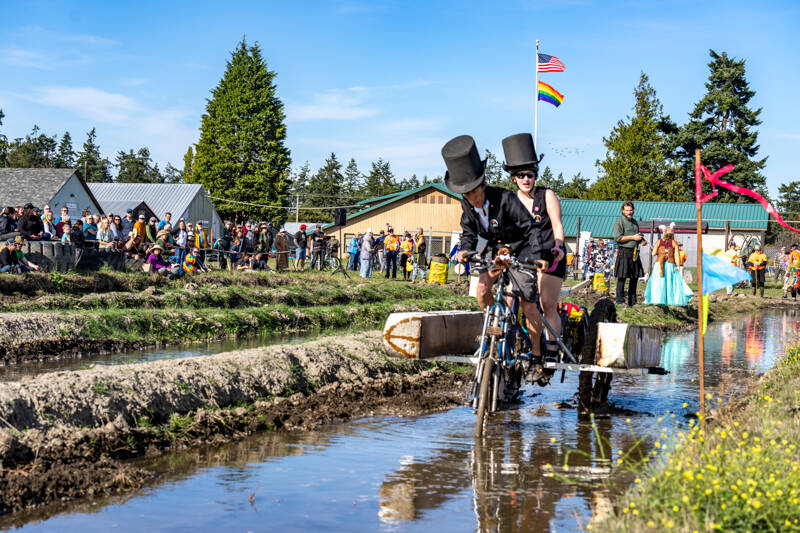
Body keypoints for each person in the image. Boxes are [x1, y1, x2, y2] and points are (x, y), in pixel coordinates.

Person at [444, 134, 547, 382]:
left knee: (528, 304)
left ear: (483, 184)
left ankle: (536, 355)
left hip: (520, 250)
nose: (472, 197)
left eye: (475, 191)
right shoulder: (467, 206)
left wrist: (537, 256)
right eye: (466, 194)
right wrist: (464, 251)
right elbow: (468, 233)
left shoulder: (505, 199)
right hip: (496, 251)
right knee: (481, 290)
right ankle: (495, 326)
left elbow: (530, 228)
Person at [503, 132, 566, 368]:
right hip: (524, 257)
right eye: (521, 176)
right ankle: (508, 338)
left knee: (547, 302)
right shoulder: (510, 201)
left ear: (535, 176)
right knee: (510, 294)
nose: (526, 179)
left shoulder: (546, 195)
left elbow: (558, 225)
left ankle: (551, 348)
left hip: (550, 254)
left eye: (530, 175)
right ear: (514, 179)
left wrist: (558, 246)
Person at [644, 224, 693, 306]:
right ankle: (670, 300)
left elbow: (653, 254)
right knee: (670, 282)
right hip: (670, 264)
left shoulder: (659, 241)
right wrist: (677, 266)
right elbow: (677, 255)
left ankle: (657, 299)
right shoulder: (674, 243)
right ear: (672, 234)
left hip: (659, 264)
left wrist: (657, 251)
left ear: (664, 233)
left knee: (659, 281)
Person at [612, 201, 646, 307]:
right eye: (627, 210)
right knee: (622, 277)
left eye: (631, 210)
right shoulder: (619, 222)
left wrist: (641, 240)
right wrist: (633, 237)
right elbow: (618, 238)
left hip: (634, 252)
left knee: (634, 277)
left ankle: (633, 302)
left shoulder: (635, 222)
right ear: (623, 211)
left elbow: (636, 236)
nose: (629, 212)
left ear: (633, 210)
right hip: (623, 251)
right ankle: (620, 301)